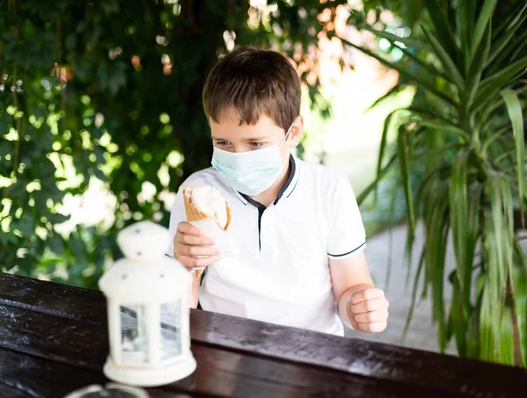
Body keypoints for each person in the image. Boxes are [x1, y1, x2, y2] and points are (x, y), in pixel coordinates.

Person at [166, 47, 389, 336]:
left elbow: (350, 287)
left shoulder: (329, 190)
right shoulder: (197, 193)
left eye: (255, 144)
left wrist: (360, 308)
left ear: (293, 132)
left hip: (312, 353)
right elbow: (179, 309)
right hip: (225, 348)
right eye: (223, 143)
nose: (237, 156)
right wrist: (183, 267)